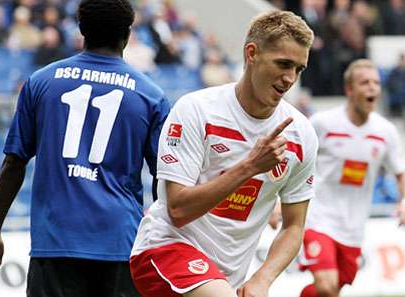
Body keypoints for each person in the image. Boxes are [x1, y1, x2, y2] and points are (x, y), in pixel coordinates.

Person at [0, 0, 171, 296]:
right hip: (121, 244)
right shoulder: (150, 96)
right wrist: (162, 240)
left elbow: (14, 163)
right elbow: (163, 179)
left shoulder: (41, 82)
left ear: (80, 29)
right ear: (128, 32)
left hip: (55, 245)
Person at [130, 10, 318, 297]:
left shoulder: (300, 134)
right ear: (251, 53)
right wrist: (250, 166)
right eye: (283, 64)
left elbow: (294, 226)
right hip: (166, 249)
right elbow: (178, 210)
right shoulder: (196, 110)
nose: (290, 78)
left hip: (225, 278)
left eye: (299, 69)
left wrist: (263, 279)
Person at [299, 59, 405, 297]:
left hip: (353, 226)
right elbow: (296, 161)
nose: (372, 88)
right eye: (365, 83)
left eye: (376, 83)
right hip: (318, 217)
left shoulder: (385, 131)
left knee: (330, 291)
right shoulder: (323, 123)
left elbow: (402, 172)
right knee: (326, 285)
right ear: (350, 90)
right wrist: (279, 203)